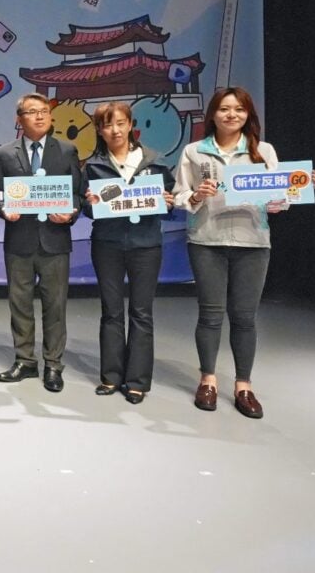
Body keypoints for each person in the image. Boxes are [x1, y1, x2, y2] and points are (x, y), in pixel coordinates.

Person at [173, 86, 315, 419]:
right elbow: (179, 195)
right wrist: (196, 195)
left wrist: (298, 186)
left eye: (239, 109)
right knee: (210, 315)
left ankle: (243, 386)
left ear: (248, 114)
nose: (231, 114)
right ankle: (207, 380)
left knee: (244, 317)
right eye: (224, 108)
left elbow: (278, 200)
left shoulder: (263, 151)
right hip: (206, 240)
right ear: (213, 114)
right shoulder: (194, 151)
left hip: (252, 242)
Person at [0, 93, 85, 392]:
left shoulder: (67, 150)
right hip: (19, 240)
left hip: (55, 240)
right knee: (20, 304)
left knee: (55, 306)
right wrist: (3, 210)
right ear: (19, 119)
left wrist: (70, 213)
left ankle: (53, 364)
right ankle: (25, 361)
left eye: (44, 111)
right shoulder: (4, 154)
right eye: (32, 112)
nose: (40, 116)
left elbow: (77, 194)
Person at [82, 101, 175, 405]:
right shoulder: (93, 166)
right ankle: (111, 376)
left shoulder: (155, 162)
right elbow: (87, 209)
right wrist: (90, 203)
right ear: (99, 130)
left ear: (131, 125)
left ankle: (137, 381)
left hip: (146, 245)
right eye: (108, 125)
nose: (115, 130)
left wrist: (167, 201)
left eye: (120, 123)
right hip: (107, 245)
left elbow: (170, 204)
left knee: (141, 312)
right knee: (111, 311)